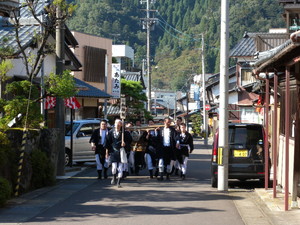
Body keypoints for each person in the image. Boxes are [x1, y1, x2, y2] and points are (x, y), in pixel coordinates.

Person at [105, 119, 132, 187]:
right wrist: (107, 152)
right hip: (113, 151)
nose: (117, 125)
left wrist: (125, 143)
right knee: (114, 167)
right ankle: (114, 176)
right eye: (116, 123)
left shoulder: (124, 133)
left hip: (121, 151)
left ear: (121, 124)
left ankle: (119, 182)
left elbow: (129, 141)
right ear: (114, 124)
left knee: (120, 167)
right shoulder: (111, 132)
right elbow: (107, 143)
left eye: (119, 123)